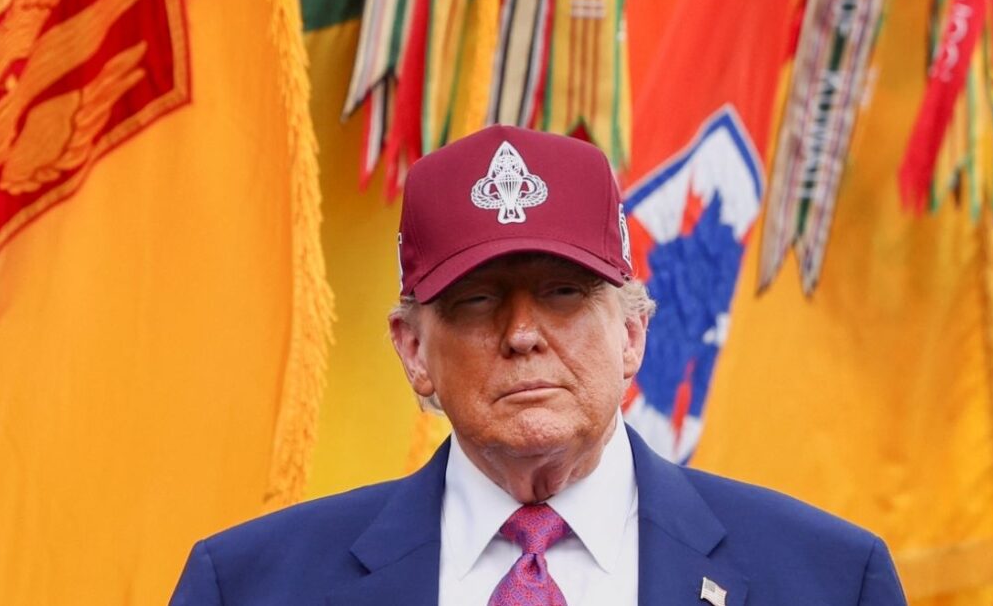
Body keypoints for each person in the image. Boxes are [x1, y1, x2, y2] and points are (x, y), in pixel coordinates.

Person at [170, 125, 907, 605]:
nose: (523, 334)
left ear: (633, 333)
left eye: (563, 294)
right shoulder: (252, 586)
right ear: (413, 349)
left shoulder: (828, 581)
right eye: (477, 299)